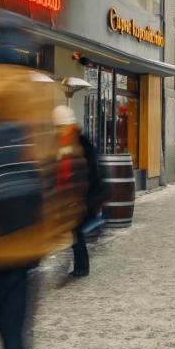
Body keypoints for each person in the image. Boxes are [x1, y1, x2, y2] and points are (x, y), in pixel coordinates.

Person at [70, 117, 105, 278]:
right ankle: (81, 266)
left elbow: (89, 173)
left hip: (85, 197)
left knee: (76, 231)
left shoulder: (80, 145)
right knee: (75, 232)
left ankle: (82, 267)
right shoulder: (74, 143)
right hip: (82, 196)